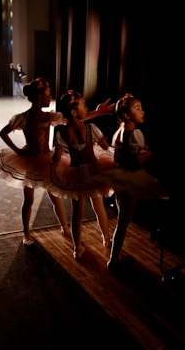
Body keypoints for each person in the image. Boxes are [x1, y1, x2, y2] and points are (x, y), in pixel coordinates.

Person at [0, 78, 114, 246]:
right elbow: (3, 132)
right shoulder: (24, 118)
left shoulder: (50, 117)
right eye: (48, 95)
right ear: (39, 97)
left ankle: (64, 227)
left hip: (47, 159)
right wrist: (18, 150)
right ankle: (26, 232)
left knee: (55, 196)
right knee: (29, 199)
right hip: (30, 161)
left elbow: (74, 118)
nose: (50, 98)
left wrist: (98, 112)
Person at [99, 93, 170, 269]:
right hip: (131, 179)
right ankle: (114, 259)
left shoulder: (119, 132)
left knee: (122, 218)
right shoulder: (136, 133)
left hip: (119, 178)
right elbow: (135, 162)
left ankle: (116, 253)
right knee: (124, 221)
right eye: (138, 108)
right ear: (126, 115)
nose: (142, 111)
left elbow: (119, 156)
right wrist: (147, 155)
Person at [49, 90, 115, 259]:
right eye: (84, 105)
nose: (87, 108)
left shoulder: (61, 133)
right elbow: (106, 147)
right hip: (93, 171)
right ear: (73, 112)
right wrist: (104, 143)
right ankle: (106, 239)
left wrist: (55, 159)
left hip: (76, 173)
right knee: (98, 206)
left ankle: (77, 248)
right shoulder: (90, 128)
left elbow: (57, 157)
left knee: (77, 214)